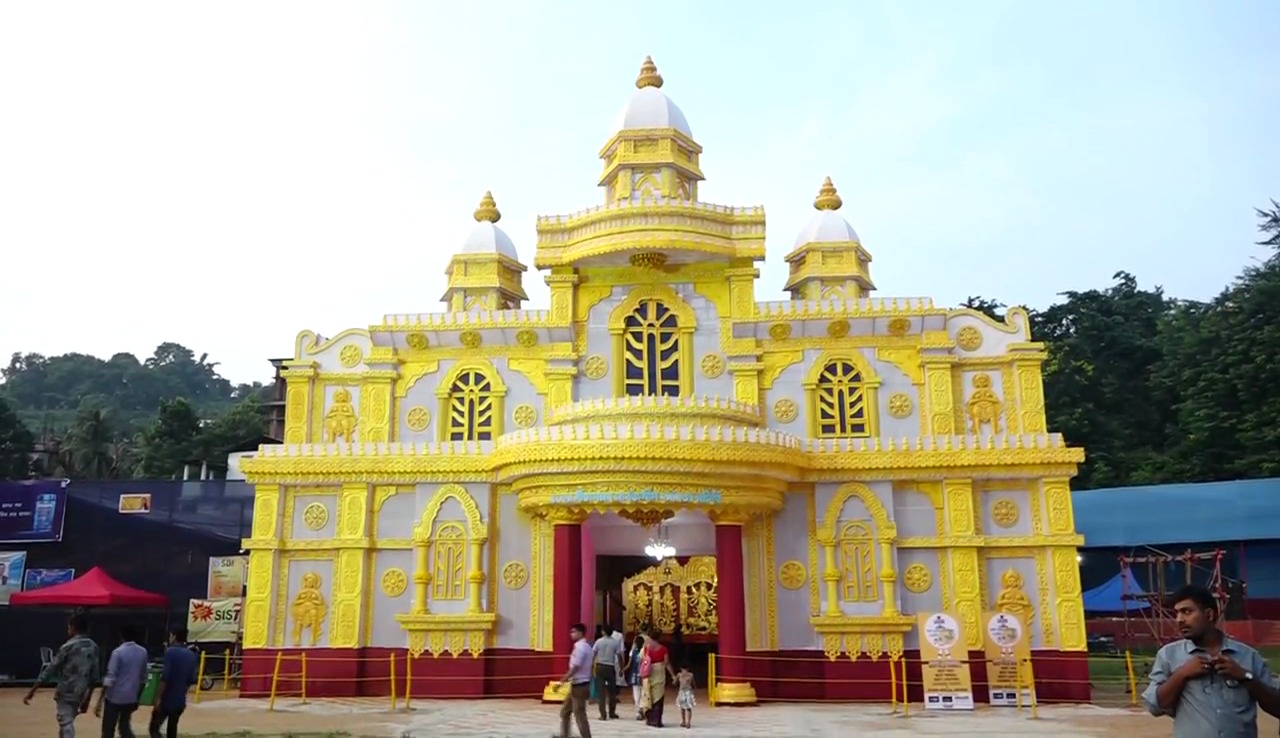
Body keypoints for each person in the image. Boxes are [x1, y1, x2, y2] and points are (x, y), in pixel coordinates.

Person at [1143, 584, 1280, 737]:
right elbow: (1155, 707)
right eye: (1177, 613)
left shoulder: (1248, 656)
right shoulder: (1168, 656)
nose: (1179, 620)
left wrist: (1245, 677)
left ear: (1209, 615)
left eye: (1187, 612)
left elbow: (1277, 708)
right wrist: (1181, 674)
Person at [24, 613, 100, 738]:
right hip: (81, 692)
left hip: (66, 689)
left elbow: (50, 669)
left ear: (73, 628)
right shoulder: (94, 647)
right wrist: (87, 698)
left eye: (69, 627)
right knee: (67, 720)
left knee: (66, 723)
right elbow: (94, 677)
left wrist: (33, 690)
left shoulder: (68, 646)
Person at [95, 624, 149, 738]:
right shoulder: (143, 652)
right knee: (124, 726)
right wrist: (137, 697)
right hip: (131, 697)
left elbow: (110, 677)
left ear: (121, 636)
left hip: (114, 697)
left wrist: (100, 700)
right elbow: (143, 678)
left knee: (108, 728)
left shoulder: (118, 652)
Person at [149, 627, 198, 738]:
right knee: (172, 729)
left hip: (167, 698)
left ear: (174, 636)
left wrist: (157, 698)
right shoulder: (192, 655)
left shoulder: (170, 652)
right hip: (180, 699)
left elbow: (165, 678)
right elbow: (191, 680)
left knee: (154, 728)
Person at [554, 622, 593, 738]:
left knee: (579, 714)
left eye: (573, 632)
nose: (571, 634)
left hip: (580, 684)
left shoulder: (581, 648)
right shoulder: (585, 646)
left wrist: (563, 680)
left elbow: (576, 666)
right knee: (565, 712)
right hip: (576, 684)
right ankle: (564, 734)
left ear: (580, 633)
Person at [642, 631, 677, 728]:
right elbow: (667, 663)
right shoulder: (663, 649)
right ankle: (657, 720)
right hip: (659, 672)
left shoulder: (646, 648)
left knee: (648, 695)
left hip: (648, 672)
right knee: (658, 696)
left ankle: (650, 718)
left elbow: (642, 660)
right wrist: (673, 675)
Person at [591, 624, 623, 720]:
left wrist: (591, 666)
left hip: (600, 666)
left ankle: (603, 714)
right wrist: (621, 668)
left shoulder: (598, 642)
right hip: (610, 667)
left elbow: (593, 654)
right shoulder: (615, 643)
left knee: (601, 692)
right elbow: (619, 656)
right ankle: (612, 712)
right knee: (612, 691)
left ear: (603, 632)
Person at [624, 632, 645, 719]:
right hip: (643, 675)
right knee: (643, 693)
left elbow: (629, 665)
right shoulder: (645, 652)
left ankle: (638, 711)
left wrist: (623, 670)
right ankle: (642, 710)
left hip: (634, 675)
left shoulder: (632, 652)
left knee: (636, 694)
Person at [675, 662, 697, 729]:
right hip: (688, 692)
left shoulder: (679, 675)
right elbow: (694, 684)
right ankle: (688, 722)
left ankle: (683, 721)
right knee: (689, 708)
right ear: (688, 668)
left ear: (681, 668)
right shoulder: (691, 675)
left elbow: (674, 682)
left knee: (682, 707)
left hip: (682, 692)